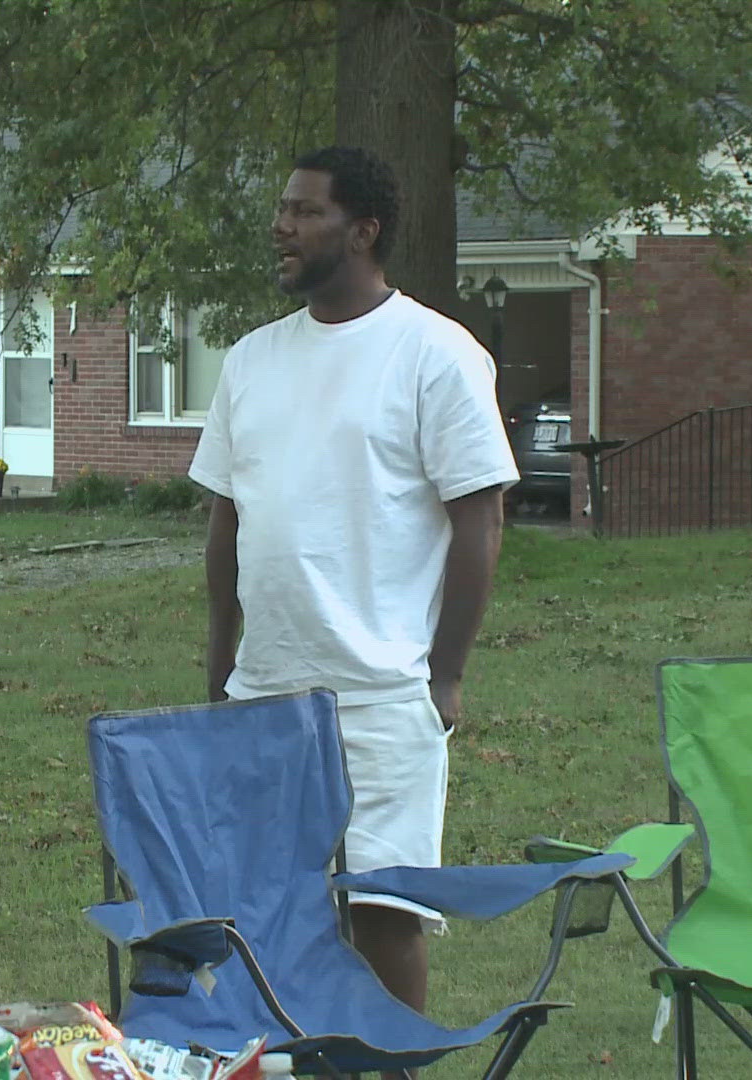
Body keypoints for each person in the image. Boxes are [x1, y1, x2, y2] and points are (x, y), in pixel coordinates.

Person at [190, 147, 517, 1027]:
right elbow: (228, 522)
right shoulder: (253, 360)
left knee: (382, 910)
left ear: (363, 230)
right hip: (266, 694)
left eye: (303, 211)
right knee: (267, 912)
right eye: (282, 209)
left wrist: (444, 673)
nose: (281, 226)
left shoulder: (436, 353)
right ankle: (298, 1056)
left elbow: (479, 519)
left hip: (382, 691)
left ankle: (388, 1060)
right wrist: (221, 665)